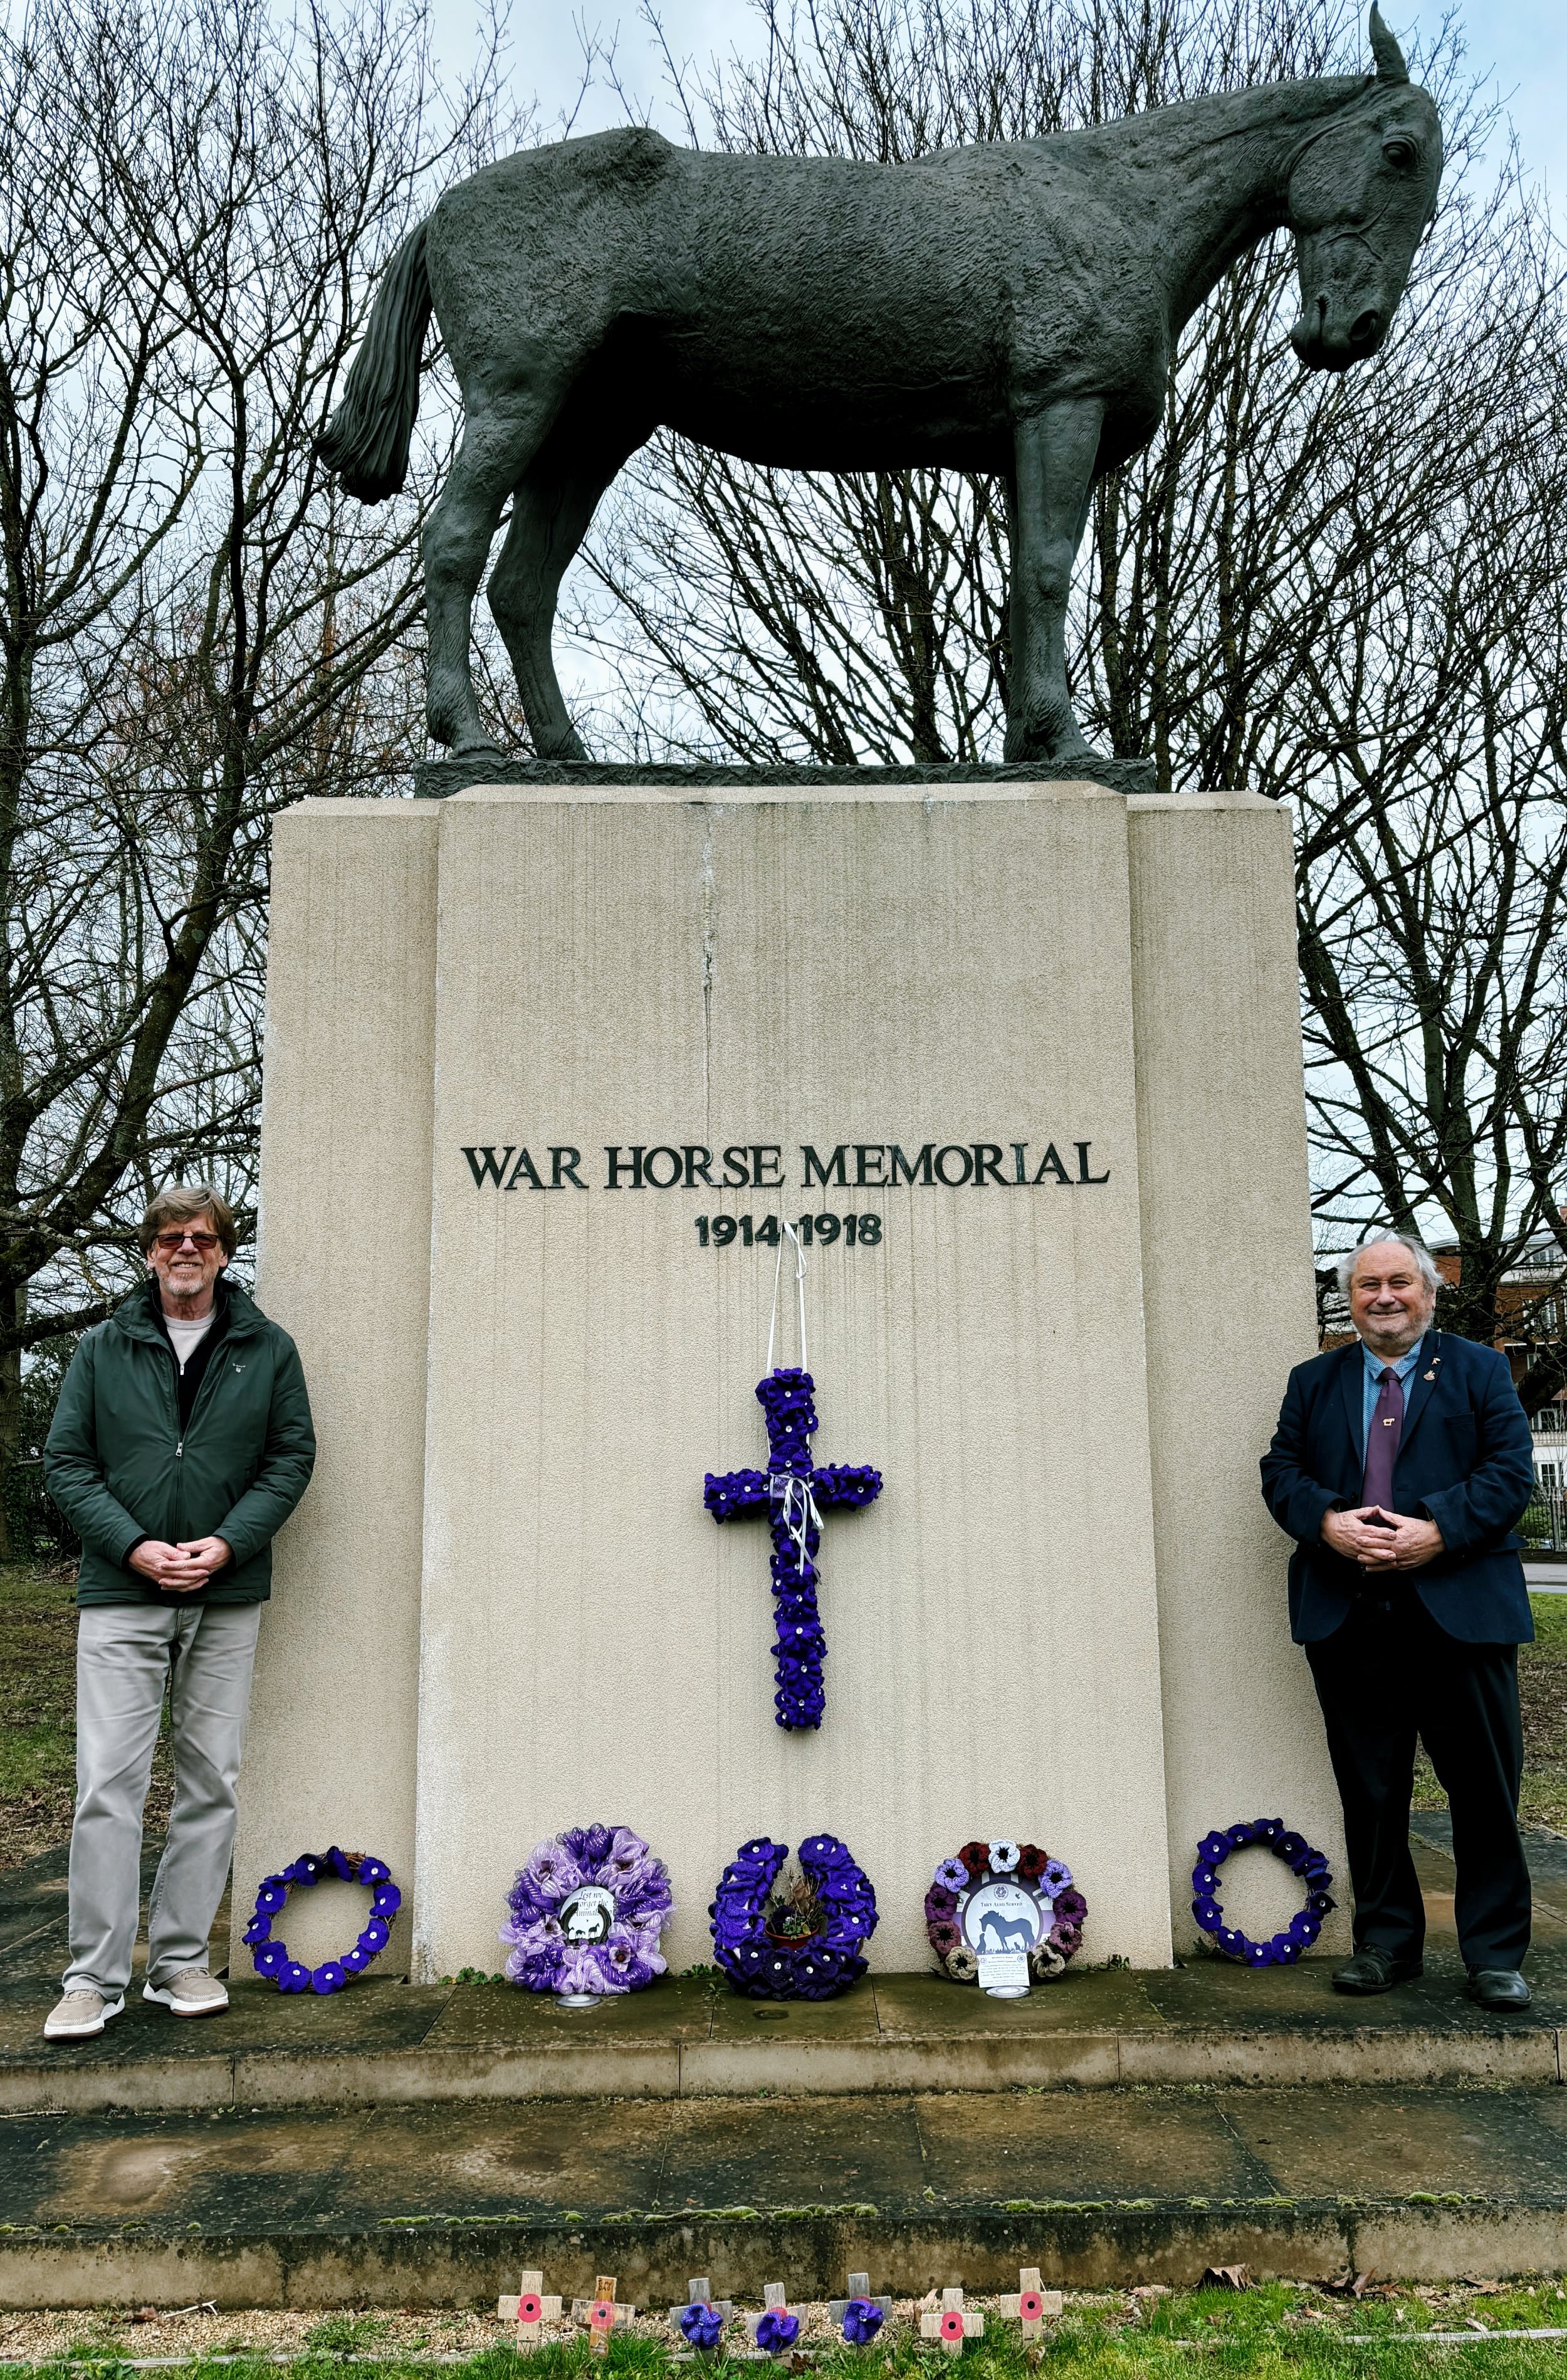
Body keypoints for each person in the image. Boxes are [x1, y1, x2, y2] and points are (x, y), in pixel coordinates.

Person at [39, 1184, 315, 2041]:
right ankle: (91, 1979)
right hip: (123, 1592)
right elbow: (68, 1462)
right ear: (150, 1253)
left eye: (202, 1237)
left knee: (209, 1782)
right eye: (169, 1239)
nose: (186, 1249)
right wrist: (133, 1546)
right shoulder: (102, 1347)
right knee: (108, 1788)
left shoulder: (265, 1348)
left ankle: (181, 1963)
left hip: (225, 1593)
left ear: (226, 1252)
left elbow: (290, 1455)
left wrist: (228, 1544)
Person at [1260, 1234, 1536, 2008]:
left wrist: (1436, 1530)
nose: (1384, 1297)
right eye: (1367, 1285)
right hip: (1350, 1613)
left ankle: (1493, 1954)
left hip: (1460, 1611)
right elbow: (1281, 1469)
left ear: (1428, 1291)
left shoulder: (1480, 1370)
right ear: (1348, 1299)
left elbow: (1510, 1472)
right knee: (1371, 1790)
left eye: (1400, 1283)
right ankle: (1385, 1944)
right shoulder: (1313, 1381)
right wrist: (1326, 1522)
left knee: (1483, 1790)